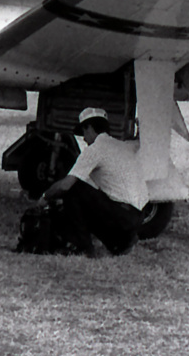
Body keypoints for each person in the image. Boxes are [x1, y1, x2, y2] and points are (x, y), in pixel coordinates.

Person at [41, 107, 149, 256]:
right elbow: (140, 141)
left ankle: (84, 248)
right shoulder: (124, 146)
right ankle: (120, 242)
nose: (84, 139)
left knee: (74, 189)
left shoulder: (95, 150)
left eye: (84, 132)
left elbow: (66, 186)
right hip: (138, 216)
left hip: (122, 216)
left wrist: (45, 196)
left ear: (90, 128)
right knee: (95, 198)